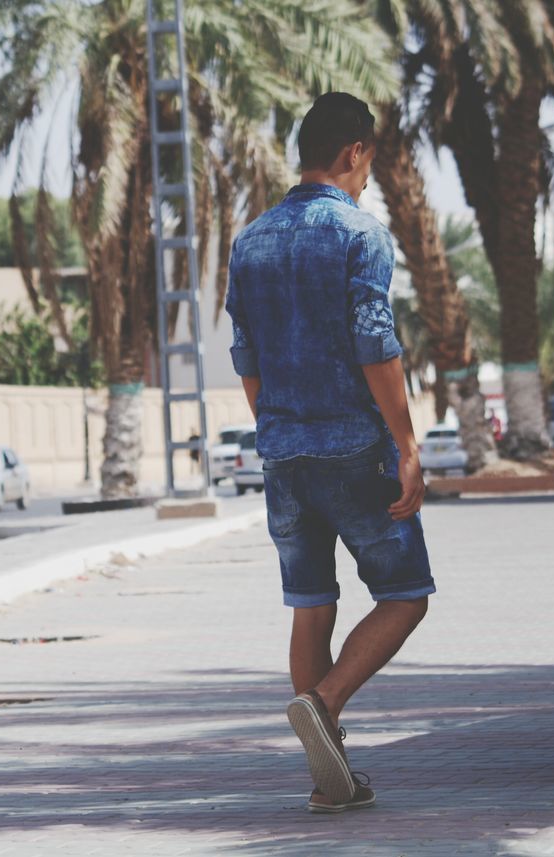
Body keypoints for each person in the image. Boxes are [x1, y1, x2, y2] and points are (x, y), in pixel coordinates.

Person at [225, 92, 433, 814]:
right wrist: (406, 444)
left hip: (283, 453)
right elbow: (377, 345)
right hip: (354, 447)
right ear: (354, 153)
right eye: (369, 160)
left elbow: (246, 358)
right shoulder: (359, 234)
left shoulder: (248, 241)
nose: (368, 175)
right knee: (406, 595)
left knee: (311, 608)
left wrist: (279, 428)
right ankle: (325, 699)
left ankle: (328, 777)